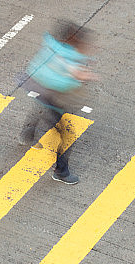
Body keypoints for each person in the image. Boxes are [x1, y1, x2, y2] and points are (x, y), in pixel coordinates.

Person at [16, 22, 98, 184]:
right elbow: (68, 81)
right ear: (73, 41)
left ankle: (27, 134)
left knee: (39, 108)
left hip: (33, 85)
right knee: (67, 136)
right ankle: (61, 172)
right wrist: (84, 77)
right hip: (50, 96)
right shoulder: (68, 60)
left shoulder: (52, 46)